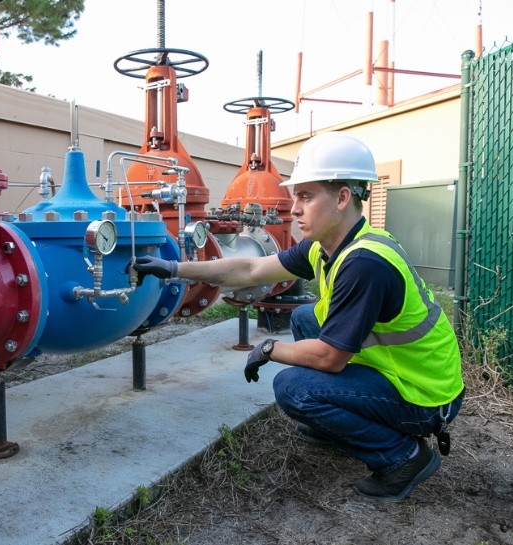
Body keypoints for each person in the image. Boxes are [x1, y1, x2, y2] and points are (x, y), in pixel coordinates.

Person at [131, 131, 464, 502]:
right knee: (307, 317)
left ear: (342, 198)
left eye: (305, 197)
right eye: (295, 197)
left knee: (293, 388)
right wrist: (175, 268)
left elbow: (329, 358)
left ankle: (404, 457)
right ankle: (340, 425)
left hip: (426, 396)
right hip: (400, 371)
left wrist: (270, 348)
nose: (294, 209)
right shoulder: (330, 245)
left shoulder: (364, 264)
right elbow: (251, 268)